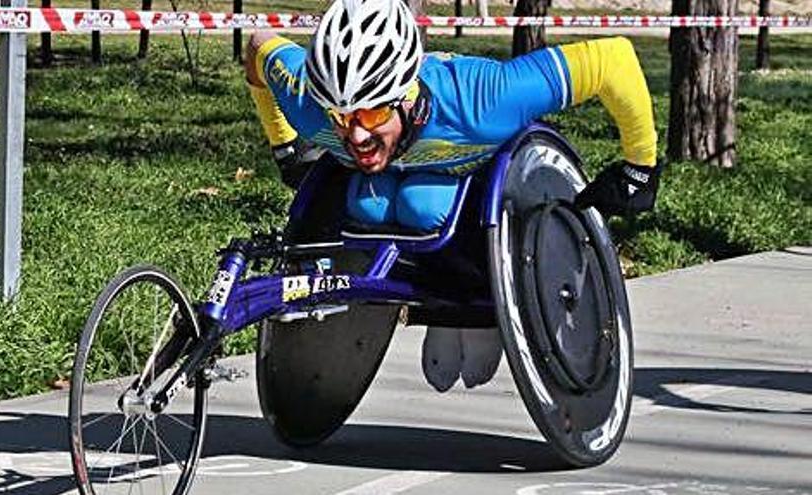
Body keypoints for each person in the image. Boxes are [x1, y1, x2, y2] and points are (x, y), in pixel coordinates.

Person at [244, 0, 661, 392]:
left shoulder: (484, 98)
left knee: (422, 206)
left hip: (481, 184)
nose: (356, 135)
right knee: (371, 204)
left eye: (373, 113)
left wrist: (640, 167)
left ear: (405, 96)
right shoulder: (308, 104)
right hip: (399, 185)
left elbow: (614, 60)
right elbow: (260, 47)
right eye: (341, 117)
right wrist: (287, 145)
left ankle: (475, 304)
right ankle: (434, 289)